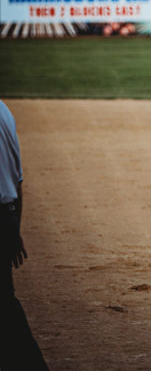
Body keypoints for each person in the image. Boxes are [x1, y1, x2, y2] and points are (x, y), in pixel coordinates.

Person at [0, 100, 49, 370]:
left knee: (4, 306)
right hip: (6, 214)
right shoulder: (3, 109)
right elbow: (17, 178)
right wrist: (14, 226)